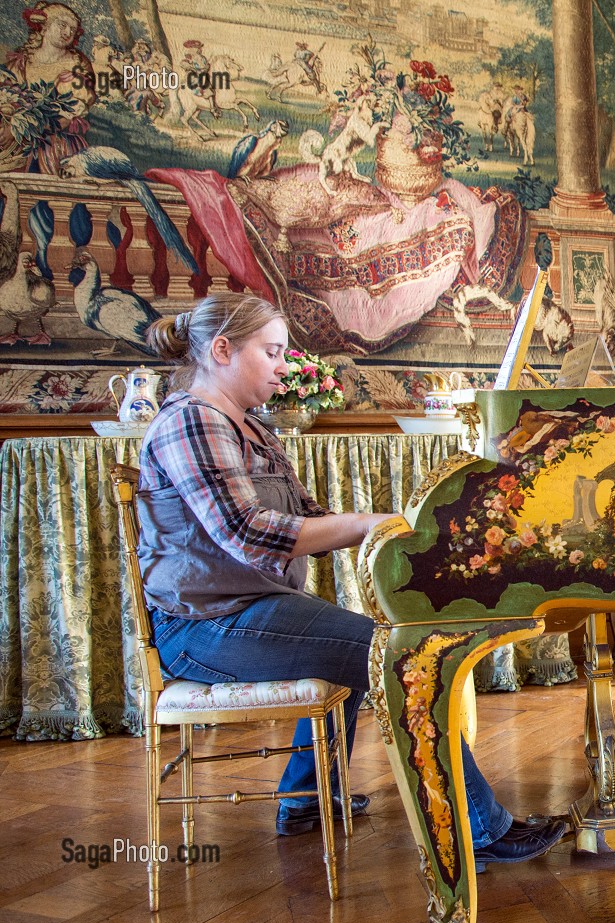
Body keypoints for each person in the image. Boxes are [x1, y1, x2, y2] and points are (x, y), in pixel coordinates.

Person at [138, 293, 569, 865]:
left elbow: (308, 519)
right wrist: (376, 523)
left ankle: (307, 797)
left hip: (240, 610)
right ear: (222, 351)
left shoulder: (250, 428)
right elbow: (249, 533)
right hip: (203, 627)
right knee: (393, 652)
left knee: (352, 640)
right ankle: (480, 829)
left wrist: (414, 529)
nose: (283, 367)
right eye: (270, 353)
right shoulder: (192, 421)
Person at [2, 2, 95, 173]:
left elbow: (73, 112)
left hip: (57, 143)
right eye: (62, 25)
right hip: (16, 141)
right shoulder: (21, 62)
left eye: (72, 30)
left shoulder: (77, 65)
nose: (67, 32)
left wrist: (28, 129)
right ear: (44, 27)